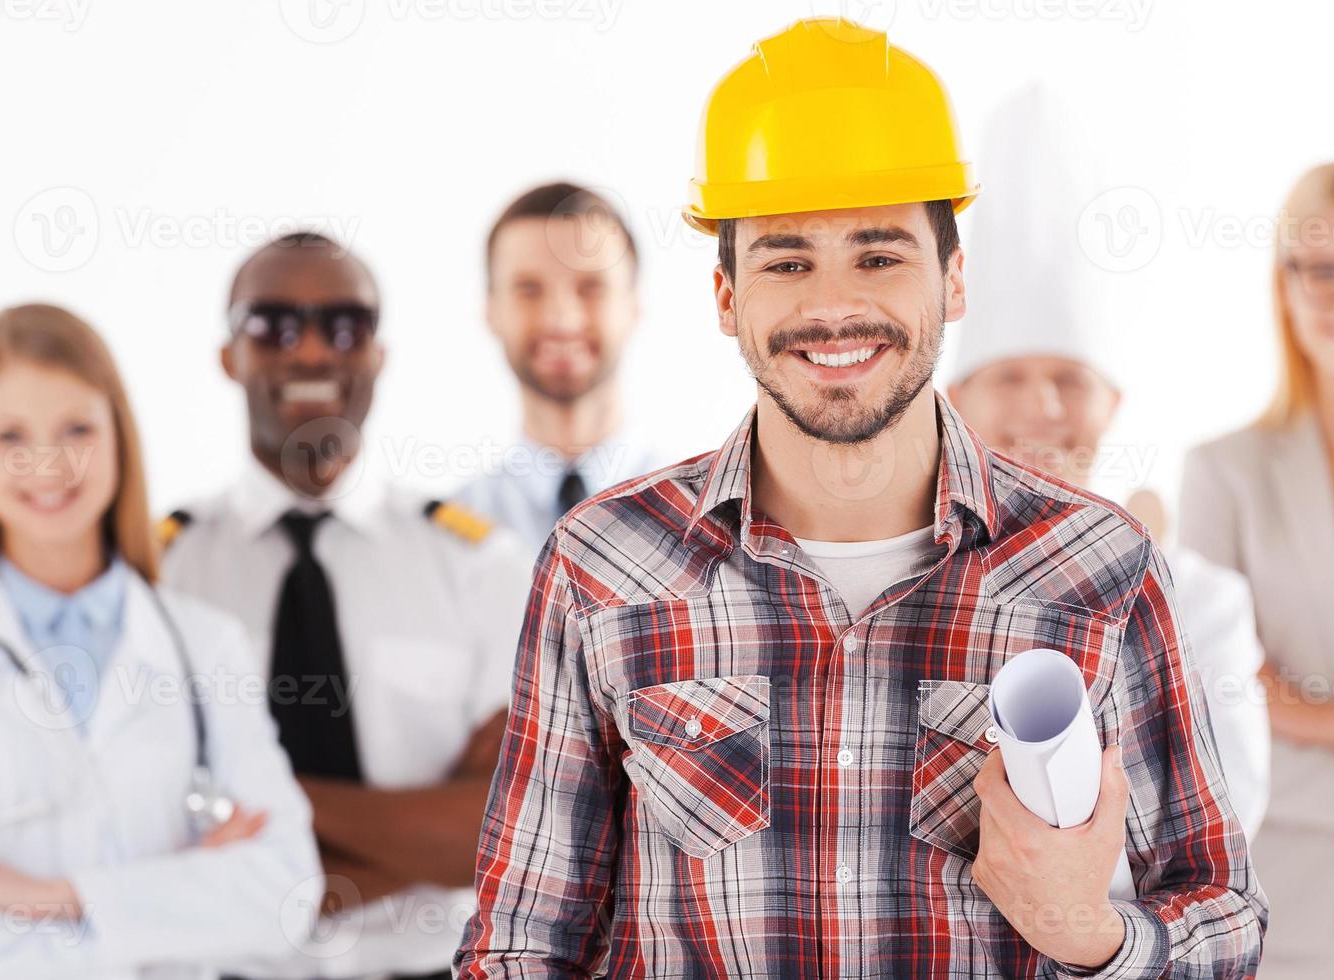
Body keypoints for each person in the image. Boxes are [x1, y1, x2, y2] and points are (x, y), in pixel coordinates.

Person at [457, 17, 1264, 978]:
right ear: (724, 297)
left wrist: (1090, 935)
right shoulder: (602, 566)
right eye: (786, 260)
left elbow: (1225, 922)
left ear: (952, 278)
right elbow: (519, 946)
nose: (832, 305)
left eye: (878, 256)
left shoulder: (1098, 566)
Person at [160, 232, 531, 979]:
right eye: (273, 326)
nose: (308, 355)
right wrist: (421, 828)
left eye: (344, 326)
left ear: (378, 355)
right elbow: (143, 838)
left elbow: (513, 833)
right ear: (228, 355)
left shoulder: (479, 567)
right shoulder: (160, 574)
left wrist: (257, 805)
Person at [0, 304, 321, 979]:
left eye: (76, 428)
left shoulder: (205, 644)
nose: (47, 464)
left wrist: (60, 899)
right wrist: (178, 892)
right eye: (11, 436)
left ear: (119, 439)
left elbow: (287, 892)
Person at [945, 84, 1270, 839]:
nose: (1042, 409)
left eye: (1069, 380)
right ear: (955, 403)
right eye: (1009, 378)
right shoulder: (900, 578)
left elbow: (1224, 822)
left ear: (1113, 404)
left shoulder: (1198, 602)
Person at [1179, 160, 1334, 976]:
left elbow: (1269, 703)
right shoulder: (1224, 473)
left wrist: (1315, 715)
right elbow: (1213, 718)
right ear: (1285, 287)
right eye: (1327, 271)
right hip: (1295, 919)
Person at [457, 182, 670, 557]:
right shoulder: (447, 539)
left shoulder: (709, 524)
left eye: (591, 287)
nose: (561, 318)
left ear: (634, 304)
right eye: (529, 289)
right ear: (491, 309)